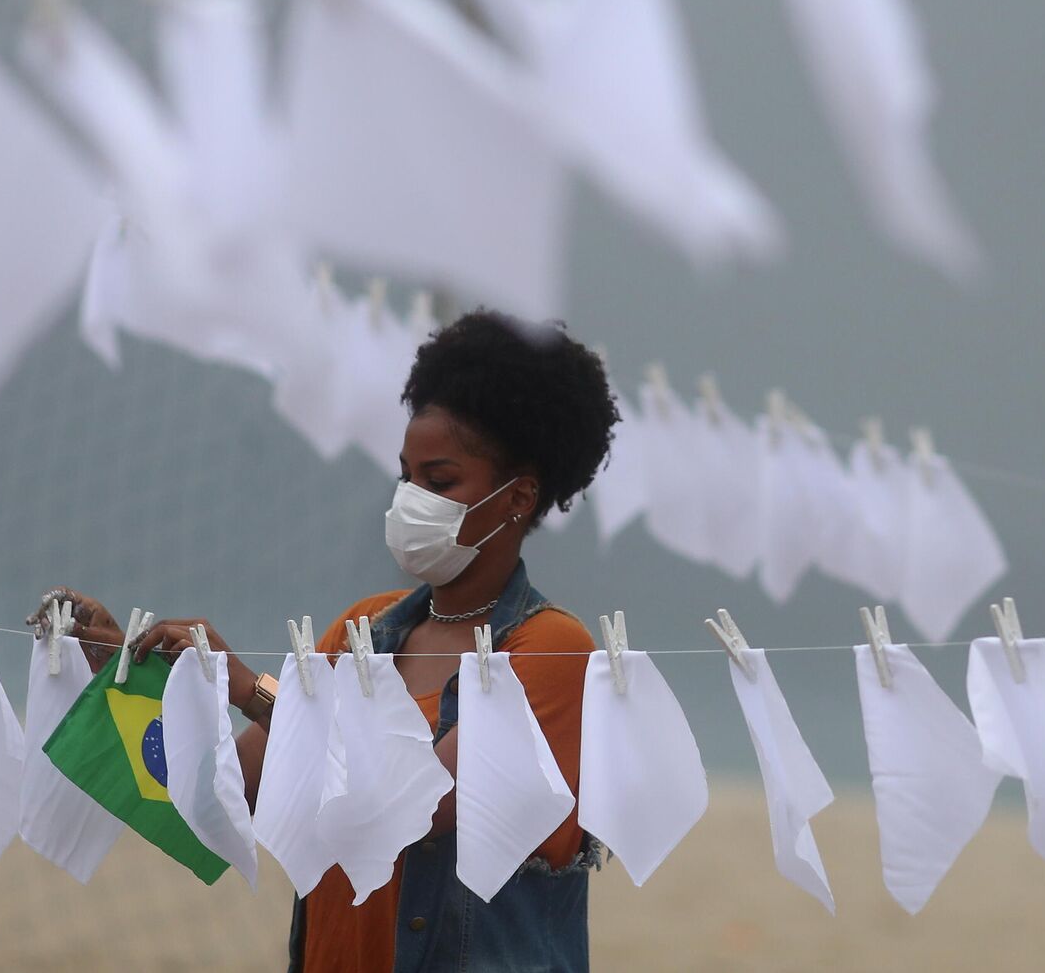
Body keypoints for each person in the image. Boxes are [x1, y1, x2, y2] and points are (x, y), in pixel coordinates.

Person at [35, 308, 621, 972]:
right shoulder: (365, 629)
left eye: (441, 481)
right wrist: (144, 681)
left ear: (519, 497)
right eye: (406, 476)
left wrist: (249, 690)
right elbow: (226, 793)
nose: (411, 500)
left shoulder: (552, 649)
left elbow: (415, 806)